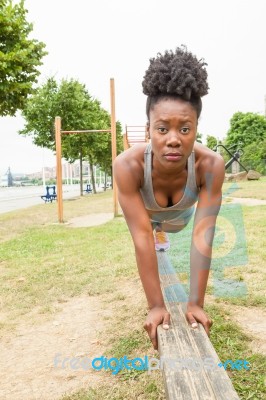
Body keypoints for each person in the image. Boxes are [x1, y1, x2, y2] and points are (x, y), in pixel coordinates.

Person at [113, 46, 225, 350]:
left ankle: (163, 231)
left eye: (185, 128)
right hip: (149, 217)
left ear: (196, 129)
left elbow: (203, 236)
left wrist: (196, 303)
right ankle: (160, 232)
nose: (174, 138)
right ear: (149, 129)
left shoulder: (210, 166)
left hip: (182, 217)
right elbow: (139, 238)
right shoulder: (128, 166)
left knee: (168, 229)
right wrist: (156, 306)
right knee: (151, 233)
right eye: (162, 128)